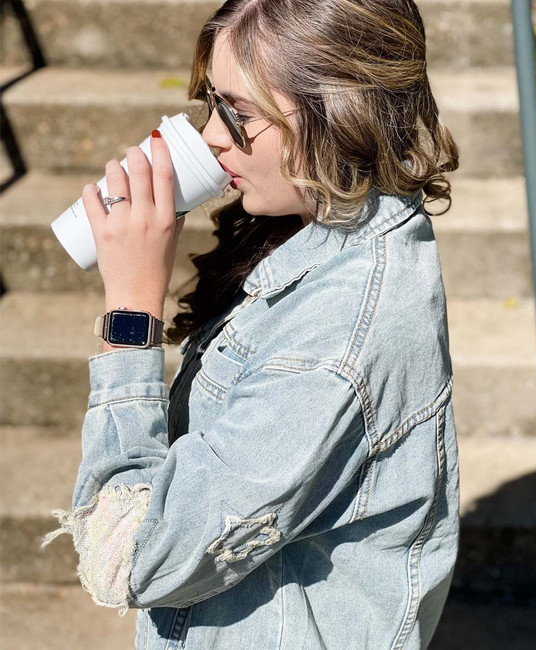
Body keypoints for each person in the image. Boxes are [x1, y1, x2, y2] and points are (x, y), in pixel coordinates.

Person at [41, 0, 461, 648]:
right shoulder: (329, 225)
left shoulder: (332, 346)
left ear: (340, 109)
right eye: (213, 103)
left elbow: (128, 556)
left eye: (238, 113)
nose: (211, 134)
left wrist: (130, 306)